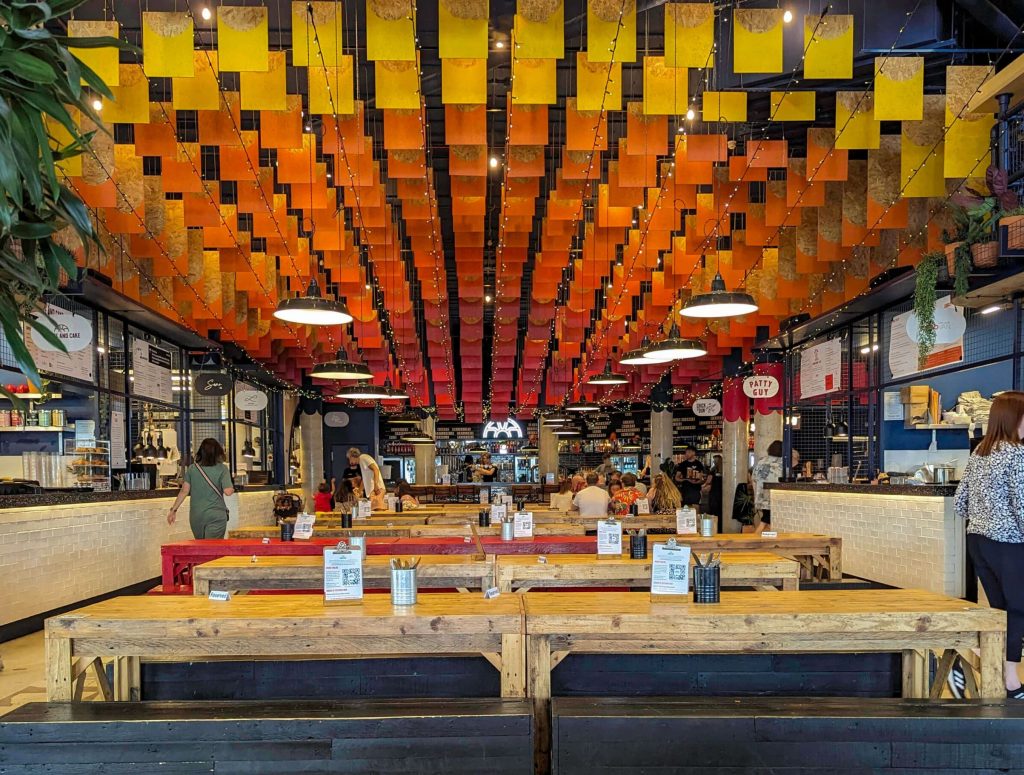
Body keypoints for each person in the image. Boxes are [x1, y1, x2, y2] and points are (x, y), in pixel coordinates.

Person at [954, 391, 1024, 699]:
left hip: (978, 542)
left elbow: (960, 502)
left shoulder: (981, 450)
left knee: (1000, 609)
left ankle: (974, 657)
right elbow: (1021, 504)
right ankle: (1009, 679)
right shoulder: (1016, 453)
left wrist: (984, 517)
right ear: (1013, 418)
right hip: (1008, 543)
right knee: (1018, 609)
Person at [167, 438, 235, 539]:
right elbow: (228, 491)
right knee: (212, 550)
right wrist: (233, 486)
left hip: (197, 517)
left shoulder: (192, 469)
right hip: (215, 516)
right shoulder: (222, 469)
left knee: (201, 548)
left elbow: (184, 491)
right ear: (218, 452)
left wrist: (173, 510)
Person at [752, 440, 784, 533]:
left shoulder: (761, 461)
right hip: (774, 497)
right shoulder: (782, 463)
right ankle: (753, 540)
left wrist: (756, 496)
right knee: (765, 521)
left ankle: (764, 542)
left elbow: (754, 479)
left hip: (761, 497)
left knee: (768, 522)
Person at [704, 454, 724, 523]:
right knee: (721, 511)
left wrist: (703, 485)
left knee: (714, 511)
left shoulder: (713, 470)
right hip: (722, 492)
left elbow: (708, 481)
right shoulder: (725, 470)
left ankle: (715, 526)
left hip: (714, 493)